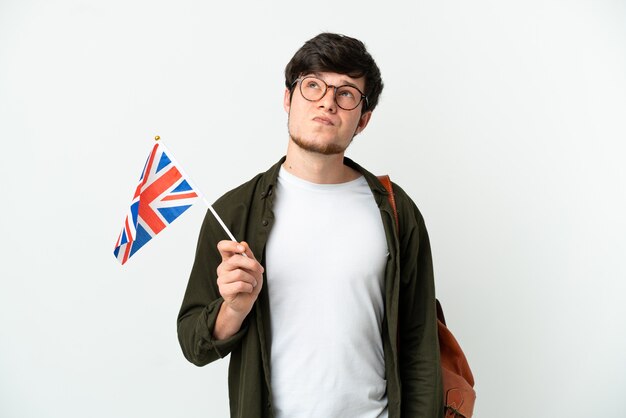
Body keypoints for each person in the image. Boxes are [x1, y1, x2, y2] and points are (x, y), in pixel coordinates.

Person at [177, 32, 443, 418]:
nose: (327, 103)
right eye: (313, 85)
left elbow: (420, 343)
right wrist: (233, 309)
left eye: (346, 93)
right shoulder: (235, 212)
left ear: (363, 119)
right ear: (288, 98)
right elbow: (192, 344)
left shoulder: (395, 209)